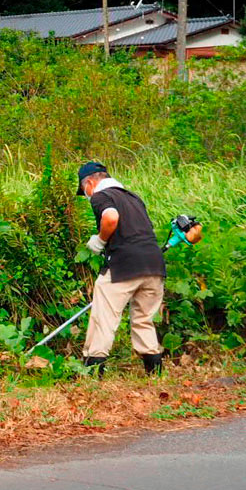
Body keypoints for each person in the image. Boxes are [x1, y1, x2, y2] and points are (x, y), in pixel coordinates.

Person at [77, 161, 165, 375]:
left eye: (84, 190)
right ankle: (154, 372)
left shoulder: (101, 196)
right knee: (144, 319)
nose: (86, 194)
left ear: (89, 182)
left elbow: (111, 218)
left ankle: (93, 371)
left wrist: (99, 240)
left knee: (104, 317)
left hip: (123, 264)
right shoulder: (133, 197)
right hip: (154, 264)